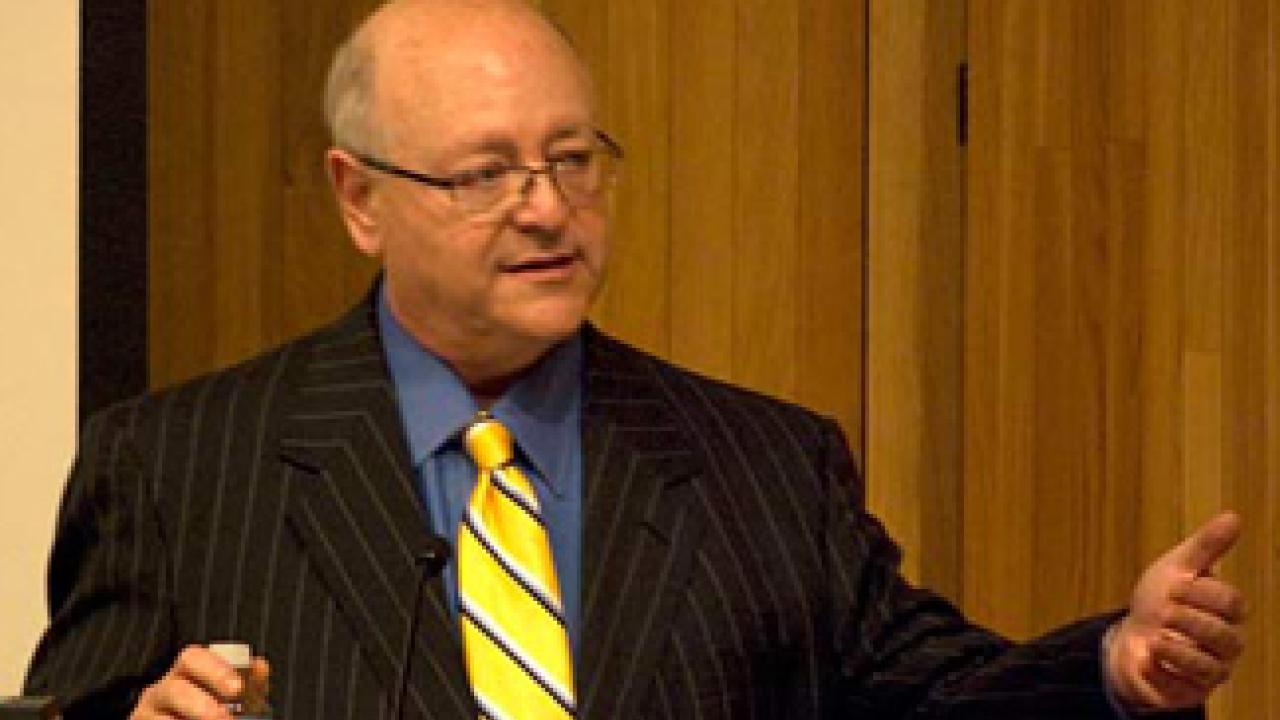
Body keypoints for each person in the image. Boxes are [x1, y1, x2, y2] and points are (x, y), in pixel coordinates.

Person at [25, 1, 1246, 718]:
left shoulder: (757, 464)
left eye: (573, 159)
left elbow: (922, 699)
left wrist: (1112, 668)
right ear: (359, 199)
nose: (547, 210)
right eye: (487, 172)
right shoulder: (180, 466)